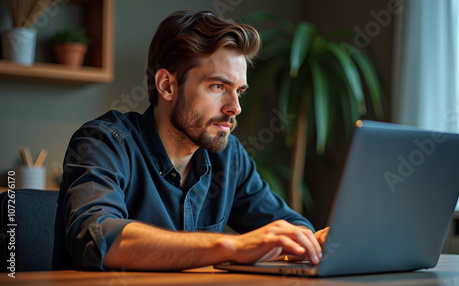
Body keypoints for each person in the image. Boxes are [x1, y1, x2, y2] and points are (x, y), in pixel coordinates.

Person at [52, 10, 329, 271]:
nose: (235, 107)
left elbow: (291, 225)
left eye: (239, 91)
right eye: (218, 87)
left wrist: (310, 241)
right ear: (167, 85)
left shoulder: (228, 156)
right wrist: (231, 246)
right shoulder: (103, 143)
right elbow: (98, 236)